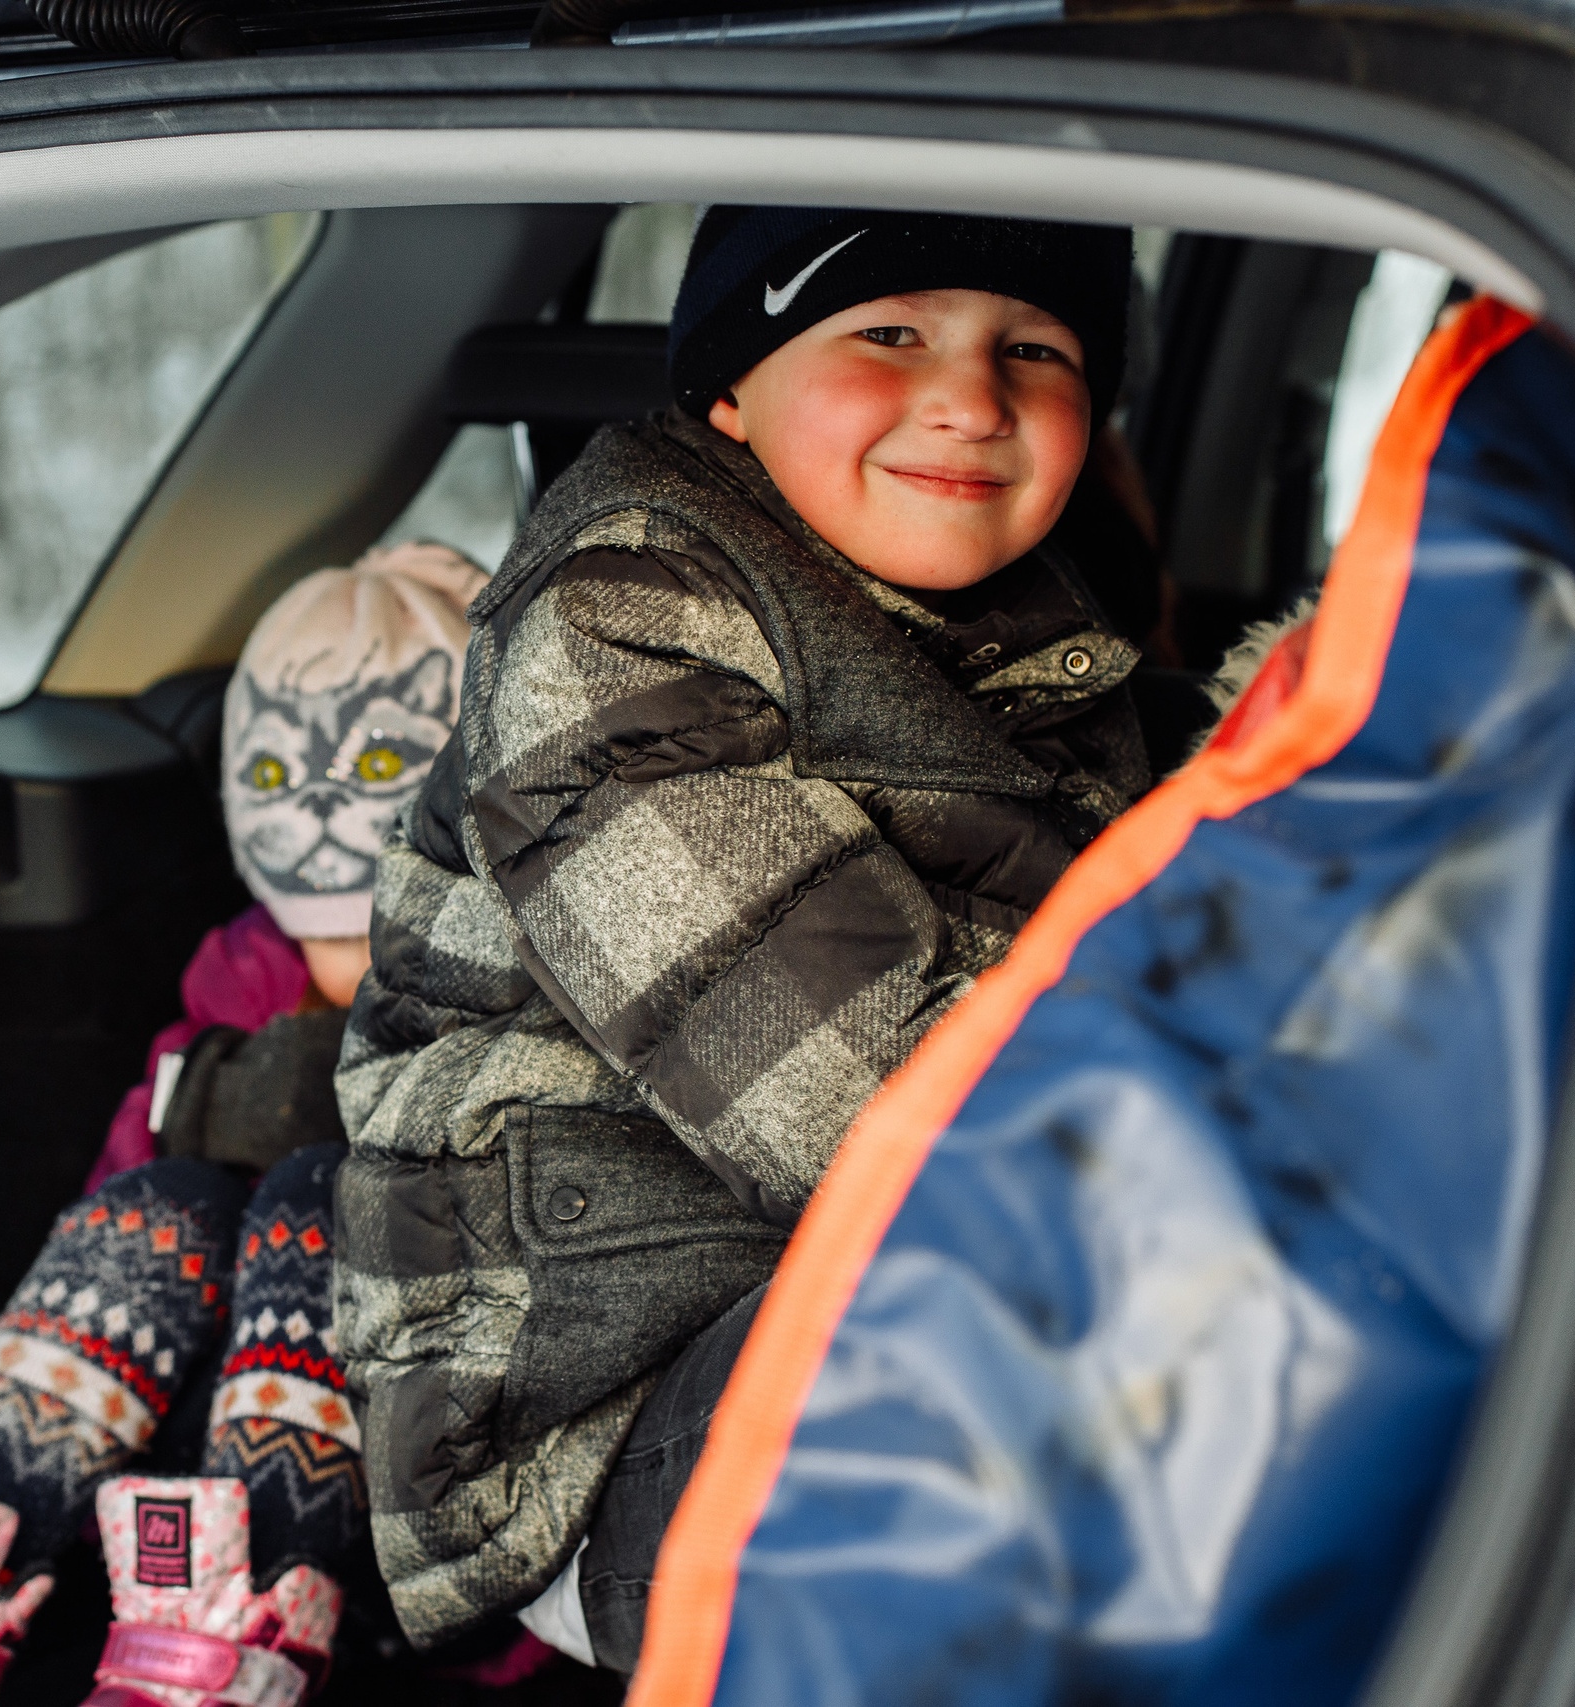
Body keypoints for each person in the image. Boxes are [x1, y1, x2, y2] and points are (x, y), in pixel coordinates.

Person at [332, 207, 1151, 1671]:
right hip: (598, 1420)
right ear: (731, 386)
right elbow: (879, 1102)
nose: (973, 397)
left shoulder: (1042, 632)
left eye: (1038, 348)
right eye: (885, 331)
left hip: (864, 1279)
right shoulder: (618, 617)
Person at [0, 542, 489, 1707]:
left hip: (413, 1489)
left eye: (378, 761)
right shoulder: (227, 999)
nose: (323, 803)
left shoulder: (515, 980)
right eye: (282, 773)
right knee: (159, 1204)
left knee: (318, 1195)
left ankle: (233, 1655)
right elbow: (117, 1210)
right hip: (174, 1499)